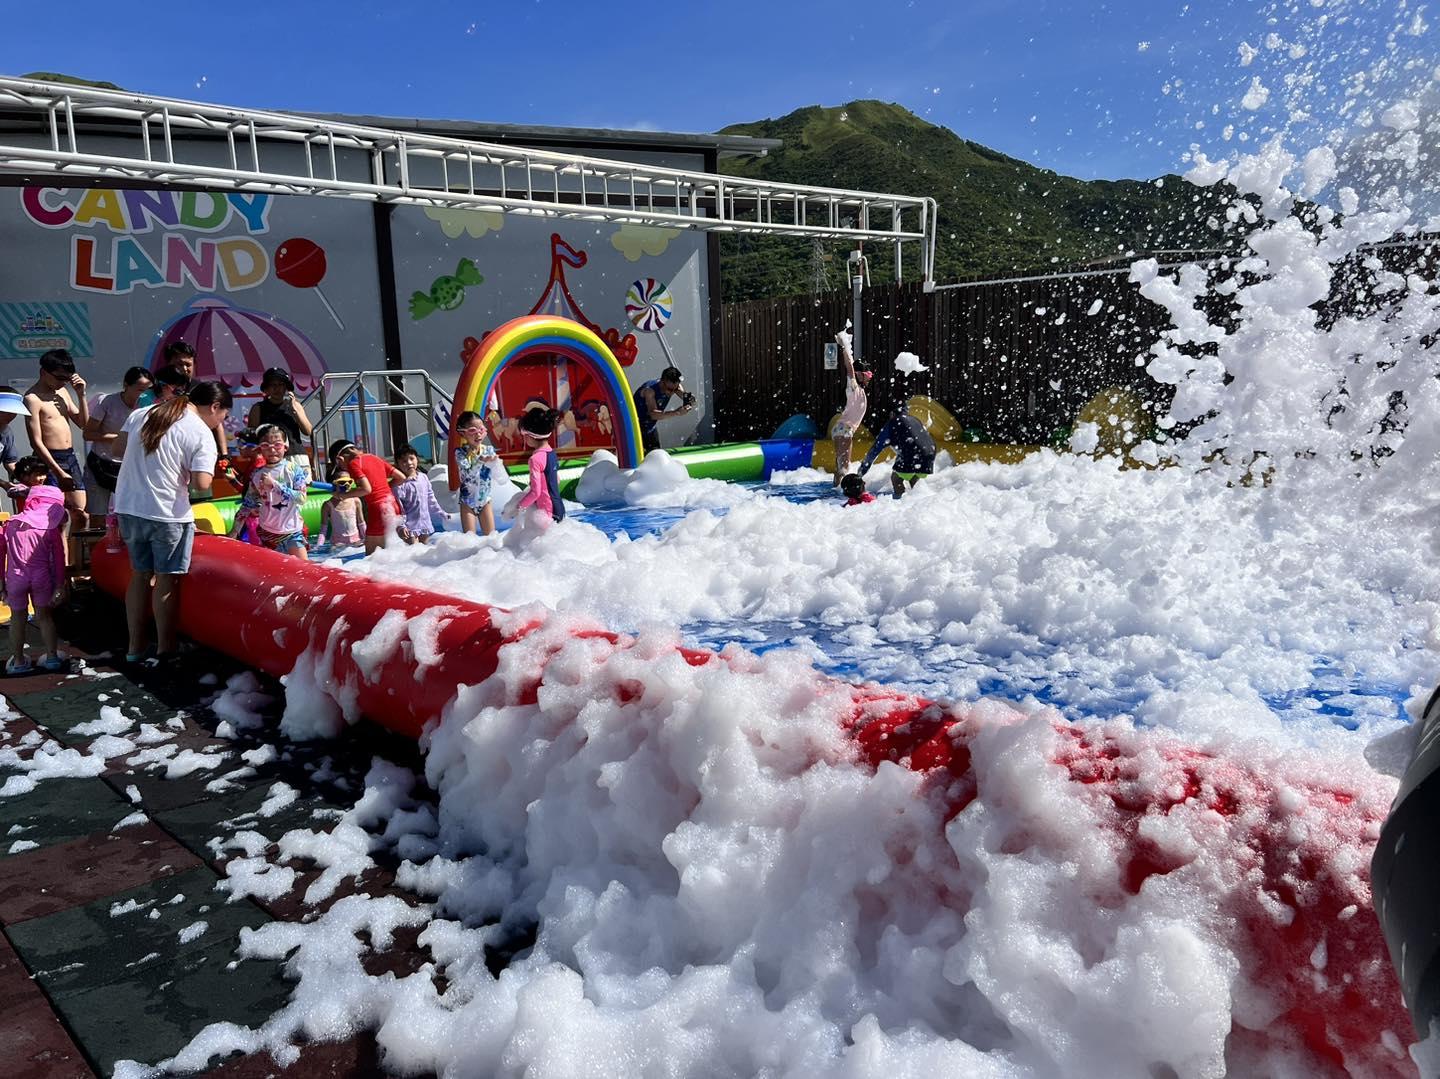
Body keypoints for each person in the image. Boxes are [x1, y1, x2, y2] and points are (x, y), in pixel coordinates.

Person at [112, 380, 232, 666]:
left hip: (129, 507)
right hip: (166, 513)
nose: (220, 423)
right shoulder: (200, 432)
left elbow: (117, 449)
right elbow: (203, 484)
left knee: (140, 575)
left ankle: (134, 647)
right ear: (214, 407)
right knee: (165, 579)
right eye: (223, 417)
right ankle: (165, 648)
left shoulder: (143, 413)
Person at [1, 456, 68, 674]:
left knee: (17, 618)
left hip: (15, 579)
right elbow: (59, 560)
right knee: (44, 616)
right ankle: (51, 658)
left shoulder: (9, 525)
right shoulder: (50, 529)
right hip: (41, 577)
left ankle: (18, 661)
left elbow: (0, 556)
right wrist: (59, 585)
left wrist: (1, 583)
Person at [23, 349, 89, 529]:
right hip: (49, 459)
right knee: (56, 518)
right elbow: (35, 442)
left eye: (67, 379)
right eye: (59, 378)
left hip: (69, 456)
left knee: (80, 514)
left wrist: (81, 394)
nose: (63, 383)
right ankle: (59, 556)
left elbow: (84, 424)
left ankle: (75, 556)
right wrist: (58, 471)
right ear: (43, 372)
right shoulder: (32, 399)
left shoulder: (64, 393)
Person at [83, 366, 154, 526]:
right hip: (100, 464)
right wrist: (119, 438)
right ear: (126, 386)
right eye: (139, 389)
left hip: (129, 468)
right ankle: (97, 549)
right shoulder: (107, 402)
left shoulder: (148, 407)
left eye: (147, 390)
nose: (142, 394)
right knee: (98, 515)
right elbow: (88, 433)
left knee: (132, 514)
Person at [231, 424, 310, 560]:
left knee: (305, 570)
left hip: (292, 532)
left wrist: (275, 485)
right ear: (260, 448)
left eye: (277, 445)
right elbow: (248, 505)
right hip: (267, 533)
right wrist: (235, 530)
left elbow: (302, 498)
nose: (272, 450)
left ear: (285, 447)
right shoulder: (257, 474)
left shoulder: (293, 470)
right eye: (266, 445)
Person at [327, 440, 404, 555]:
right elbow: (401, 477)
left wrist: (341, 495)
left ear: (340, 459)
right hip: (392, 504)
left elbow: (366, 489)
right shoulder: (375, 457)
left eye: (340, 466)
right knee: (390, 552)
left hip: (379, 509)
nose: (343, 469)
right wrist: (382, 488)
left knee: (371, 558)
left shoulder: (354, 463)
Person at [857, 400, 937, 499]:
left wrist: (861, 472)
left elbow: (874, 450)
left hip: (913, 454)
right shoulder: (914, 419)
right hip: (930, 455)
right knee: (913, 479)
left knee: (896, 479)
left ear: (891, 413)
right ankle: (919, 502)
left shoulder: (892, 424)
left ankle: (899, 503)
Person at [509, 407, 566, 540]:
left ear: (529, 435)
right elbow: (555, 480)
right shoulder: (551, 453)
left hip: (546, 513)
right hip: (559, 508)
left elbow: (536, 492)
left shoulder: (534, 459)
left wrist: (519, 507)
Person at [246, 367, 313, 467]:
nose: (277, 388)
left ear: (286, 387)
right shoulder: (258, 408)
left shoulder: (294, 405)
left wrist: (296, 411)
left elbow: (308, 431)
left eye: (281, 384)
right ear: (266, 389)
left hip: (296, 456)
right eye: (273, 385)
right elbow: (252, 436)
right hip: (271, 458)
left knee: (303, 483)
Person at [831, 331, 873, 486]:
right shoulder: (853, 387)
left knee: (841, 467)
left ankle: (834, 490)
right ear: (859, 375)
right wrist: (844, 347)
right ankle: (840, 495)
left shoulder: (859, 390)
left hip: (843, 429)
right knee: (844, 467)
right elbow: (849, 367)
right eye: (867, 374)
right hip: (844, 429)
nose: (869, 377)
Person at [452, 411, 499, 536]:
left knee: (491, 539)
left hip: (485, 500)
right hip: (467, 502)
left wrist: (496, 464)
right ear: (463, 433)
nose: (478, 434)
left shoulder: (488, 450)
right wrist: (480, 461)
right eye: (473, 431)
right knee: (469, 539)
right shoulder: (460, 453)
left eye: (481, 430)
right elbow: (467, 475)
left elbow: (497, 473)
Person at [632, 366, 697, 453]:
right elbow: (653, 414)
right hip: (635, 427)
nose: (671, 392)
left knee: (656, 455)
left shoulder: (674, 387)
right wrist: (676, 412)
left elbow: (685, 397)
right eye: (670, 389)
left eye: (675, 389)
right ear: (662, 382)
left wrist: (689, 401)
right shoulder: (650, 391)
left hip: (650, 427)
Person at [392, 444, 445, 544]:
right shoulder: (399, 484)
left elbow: (430, 498)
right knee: (413, 550)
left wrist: (440, 512)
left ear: (417, 459)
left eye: (412, 458)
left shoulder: (423, 477)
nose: (409, 463)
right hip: (408, 525)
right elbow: (398, 507)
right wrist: (401, 526)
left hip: (424, 522)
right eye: (404, 461)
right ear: (397, 464)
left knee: (424, 552)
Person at [319, 471, 364, 551]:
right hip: (338, 543)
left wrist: (366, 539)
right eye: (342, 482)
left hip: (356, 541)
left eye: (349, 482)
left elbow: (361, 523)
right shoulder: (328, 505)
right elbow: (323, 529)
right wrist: (319, 546)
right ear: (335, 484)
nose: (346, 485)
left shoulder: (356, 501)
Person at [0, 387, 29, 479]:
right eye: (7, 411)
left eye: (14, 412)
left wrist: (26, 478)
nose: (11, 415)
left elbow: (10, 462)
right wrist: (3, 484)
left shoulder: (7, 432)